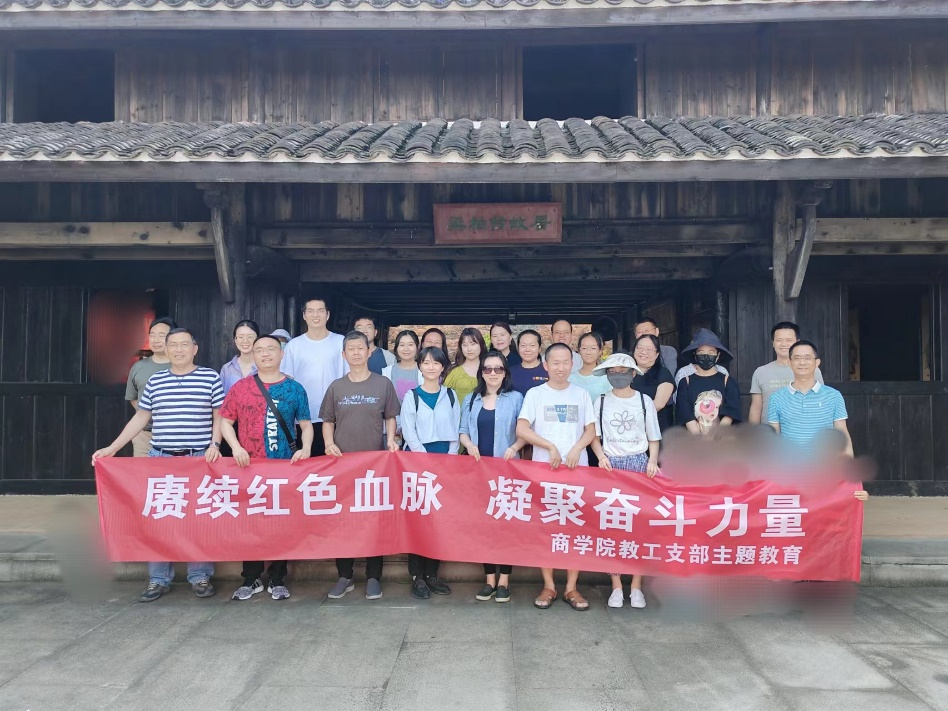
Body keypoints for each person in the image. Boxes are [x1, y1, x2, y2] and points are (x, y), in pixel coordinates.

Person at [92, 327, 223, 603]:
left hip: (199, 459)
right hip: (161, 460)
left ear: (195, 349)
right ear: (165, 348)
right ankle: (158, 579)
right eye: (173, 344)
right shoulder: (156, 380)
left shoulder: (210, 377)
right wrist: (113, 448)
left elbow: (219, 415)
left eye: (184, 345)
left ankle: (200, 575)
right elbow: (141, 417)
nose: (179, 349)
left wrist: (215, 444)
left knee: (199, 519)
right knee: (159, 519)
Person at [220, 334, 313, 602]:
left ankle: (277, 577)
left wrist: (306, 448)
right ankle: (251, 578)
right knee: (250, 523)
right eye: (259, 350)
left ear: (281, 354)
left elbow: (306, 425)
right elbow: (225, 421)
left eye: (271, 349)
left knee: (281, 523)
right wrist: (235, 447)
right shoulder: (241, 388)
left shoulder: (295, 389)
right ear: (253, 355)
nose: (265, 354)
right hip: (249, 468)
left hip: (283, 469)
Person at [319, 330, 401, 601]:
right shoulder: (336, 387)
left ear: (368, 352)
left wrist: (391, 440)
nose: (356, 352)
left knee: (374, 521)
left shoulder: (382, 384)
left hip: (375, 466)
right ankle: (344, 576)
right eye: (351, 349)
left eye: (360, 348)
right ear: (344, 355)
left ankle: (373, 577)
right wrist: (329, 443)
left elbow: (390, 417)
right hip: (342, 465)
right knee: (343, 521)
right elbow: (328, 420)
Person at [516, 343, 596, 612]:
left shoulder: (581, 394)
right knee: (546, 529)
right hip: (544, 472)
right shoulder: (535, 394)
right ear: (546, 365)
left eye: (565, 362)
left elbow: (590, 430)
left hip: (576, 471)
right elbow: (522, 428)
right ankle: (549, 585)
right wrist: (549, 446)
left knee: (575, 529)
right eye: (555, 363)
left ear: (572, 365)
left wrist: (577, 448)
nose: (561, 368)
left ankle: (571, 587)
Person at [589, 353, 661, 610]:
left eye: (623, 370)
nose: (618, 375)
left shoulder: (644, 400)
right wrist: (600, 456)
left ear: (633, 374)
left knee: (639, 527)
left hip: (639, 465)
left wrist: (652, 461)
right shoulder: (600, 401)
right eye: (613, 371)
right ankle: (617, 586)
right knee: (613, 528)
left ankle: (637, 585)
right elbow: (594, 435)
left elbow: (653, 436)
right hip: (611, 466)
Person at [460, 351, 525, 604]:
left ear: (505, 372)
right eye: (488, 369)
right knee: (484, 526)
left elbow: (524, 431)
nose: (493, 373)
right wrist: (469, 445)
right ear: (482, 373)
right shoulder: (471, 399)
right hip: (479, 472)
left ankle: (504, 581)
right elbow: (463, 430)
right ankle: (489, 579)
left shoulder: (516, 398)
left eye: (498, 369)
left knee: (506, 526)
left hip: (508, 471)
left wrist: (515, 447)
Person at [399, 346, 460, 599]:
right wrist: (425, 461)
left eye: (436, 363)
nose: (431, 367)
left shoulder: (451, 395)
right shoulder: (411, 396)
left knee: (438, 520)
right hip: (417, 465)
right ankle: (417, 577)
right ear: (420, 366)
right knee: (418, 521)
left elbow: (457, 430)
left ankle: (432, 573)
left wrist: (449, 461)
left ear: (443, 367)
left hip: (444, 464)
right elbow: (409, 431)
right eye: (426, 363)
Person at [282, 297, 348, 456]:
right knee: (306, 461)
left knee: (336, 461)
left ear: (328, 314)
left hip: (335, 416)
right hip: (303, 417)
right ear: (304, 315)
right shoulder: (294, 345)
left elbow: (348, 376)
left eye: (320, 311)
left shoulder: (341, 342)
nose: (315, 315)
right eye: (310, 311)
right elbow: (287, 381)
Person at [768, 340, 854, 457]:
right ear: (790, 362)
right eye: (797, 358)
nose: (802, 362)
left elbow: (842, 433)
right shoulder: (776, 398)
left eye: (807, 358)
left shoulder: (834, 396)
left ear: (817, 362)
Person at [749, 322, 825, 424]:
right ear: (773, 343)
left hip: (803, 430)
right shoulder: (761, 372)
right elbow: (756, 408)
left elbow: (821, 402)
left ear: (797, 342)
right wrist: (753, 432)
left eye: (789, 340)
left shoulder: (812, 370)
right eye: (779, 340)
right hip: (769, 432)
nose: (784, 344)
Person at [125, 316, 175, 457]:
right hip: (144, 435)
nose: (155, 340)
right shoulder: (138, 367)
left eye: (161, 335)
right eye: (152, 335)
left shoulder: (180, 366)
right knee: (142, 470)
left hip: (174, 437)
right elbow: (133, 397)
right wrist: (147, 415)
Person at [675, 329, 742, 436]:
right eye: (701, 353)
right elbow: (685, 414)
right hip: (692, 440)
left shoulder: (728, 381)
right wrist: (699, 438)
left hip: (722, 439)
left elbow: (731, 412)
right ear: (695, 355)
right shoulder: (685, 382)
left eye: (711, 353)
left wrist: (715, 437)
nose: (706, 356)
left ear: (718, 355)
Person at [569, 332, 611, 465]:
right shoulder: (570, 378)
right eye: (584, 348)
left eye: (593, 348)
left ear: (600, 351)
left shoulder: (608, 378)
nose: (588, 352)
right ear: (578, 350)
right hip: (575, 435)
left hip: (601, 435)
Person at [631, 334, 676, 431]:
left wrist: (632, 419)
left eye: (649, 349)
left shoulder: (663, 373)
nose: (644, 352)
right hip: (627, 427)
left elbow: (658, 405)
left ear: (657, 354)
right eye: (640, 348)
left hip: (654, 428)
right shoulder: (626, 372)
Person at [444, 327, 487, 413]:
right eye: (465, 345)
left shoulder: (490, 370)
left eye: (473, 344)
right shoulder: (454, 372)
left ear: (481, 345)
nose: (469, 349)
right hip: (460, 419)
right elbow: (444, 400)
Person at [220, 319, 260, 394]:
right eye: (241, 337)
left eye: (250, 337)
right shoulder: (227, 369)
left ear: (257, 339)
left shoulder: (264, 367)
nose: (245, 341)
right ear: (235, 340)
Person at [510, 329, 548, 396]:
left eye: (532, 345)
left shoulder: (548, 370)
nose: (527, 349)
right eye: (523, 345)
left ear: (539, 348)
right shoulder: (510, 372)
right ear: (518, 348)